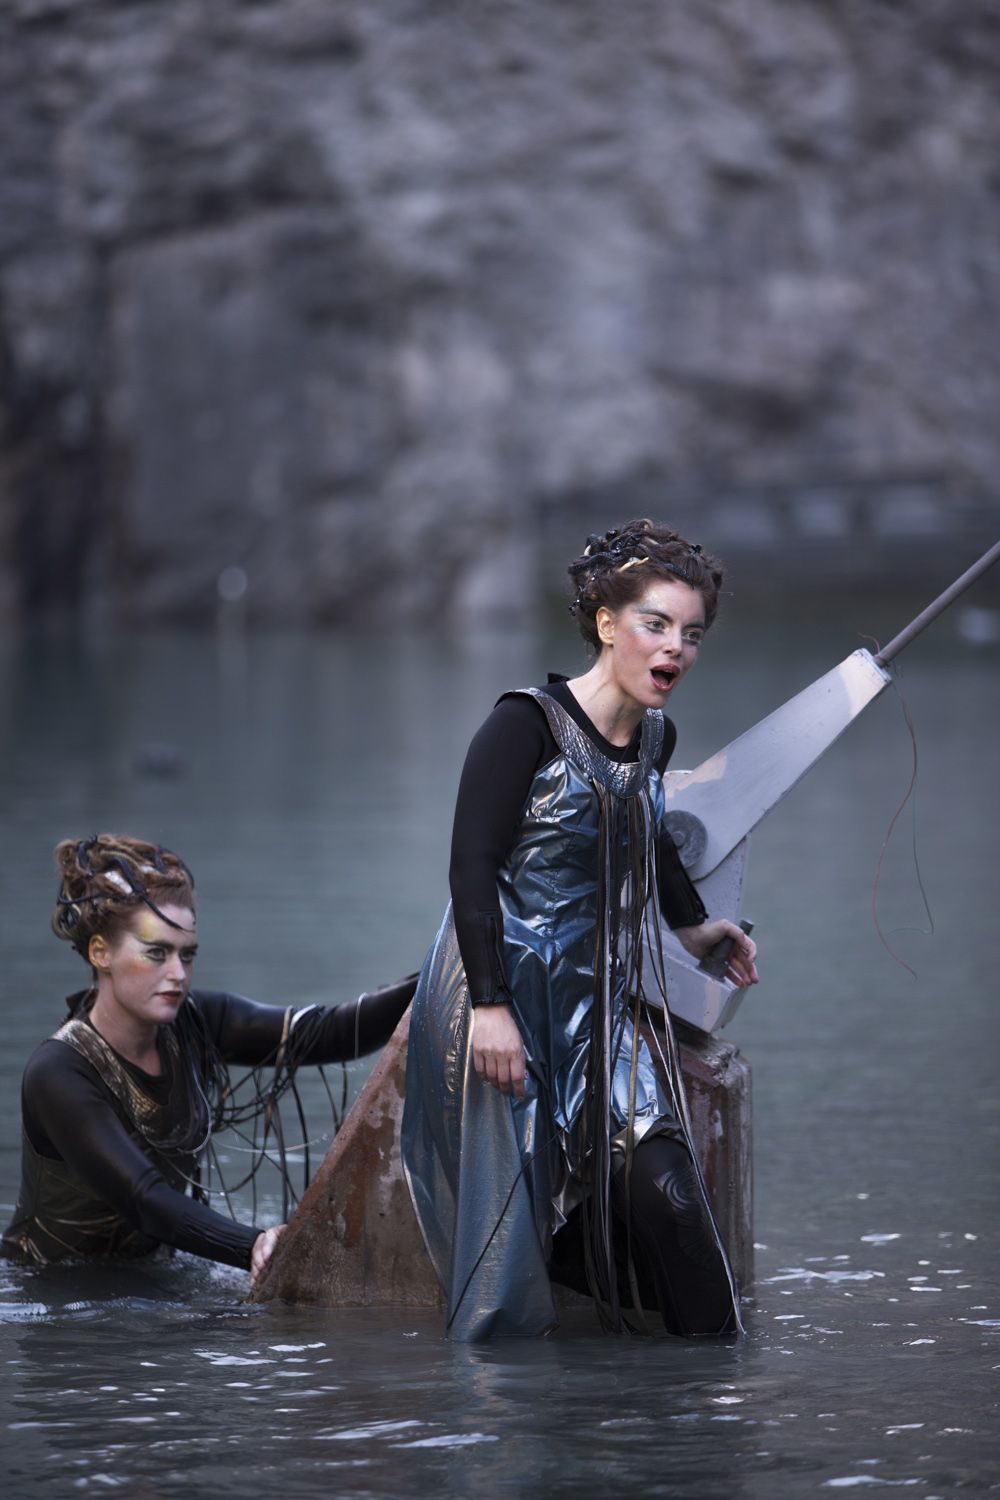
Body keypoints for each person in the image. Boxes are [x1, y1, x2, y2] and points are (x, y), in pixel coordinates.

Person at [401, 519, 758, 1340]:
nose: (675, 649)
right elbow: (470, 867)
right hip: (499, 992)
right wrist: (490, 1006)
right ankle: (510, 1404)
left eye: (692, 634)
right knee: (504, 1260)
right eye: (655, 624)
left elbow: (646, 830)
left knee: (671, 1199)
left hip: (594, 1004)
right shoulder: (524, 723)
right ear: (606, 623)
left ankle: (711, 1401)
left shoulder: (656, 737)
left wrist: (695, 929)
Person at [2, 834, 415, 1285]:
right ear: (100, 953)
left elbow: (332, 1032)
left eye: (187, 955)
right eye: (157, 953)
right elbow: (143, 1197)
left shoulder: (197, 1021)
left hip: (152, 1276)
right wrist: (253, 1245)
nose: (178, 973)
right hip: (49, 1290)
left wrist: (443, 970)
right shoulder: (60, 1071)